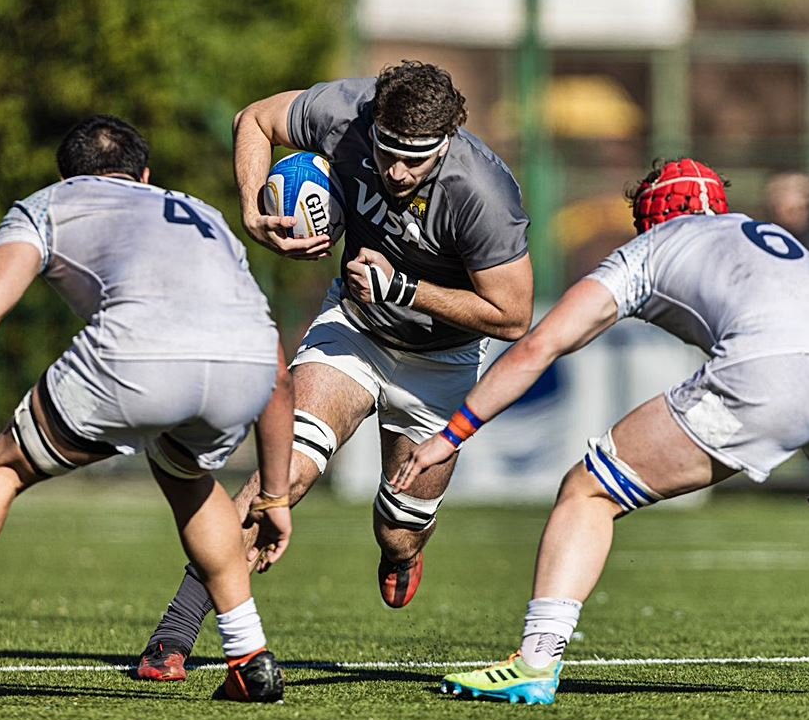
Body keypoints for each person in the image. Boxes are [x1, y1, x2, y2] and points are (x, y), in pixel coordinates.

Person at [392, 158, 809, 705]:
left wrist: (451, 435)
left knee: (588, 490)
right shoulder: (770, 237)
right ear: (718, 205)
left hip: (766, 376)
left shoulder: (646, 251)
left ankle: (536, 661)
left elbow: (540, 346)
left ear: (649, 217)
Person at [0, 115, 294, 703]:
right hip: (244, 367)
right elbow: (278, 374)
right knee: (189, 478)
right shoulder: (203, 215)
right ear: (144, 176)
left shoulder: (47, 205)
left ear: (69, 175)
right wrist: (274, 493)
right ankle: (250, 657)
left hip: (138, 356)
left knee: (1, 470)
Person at [135, 61, 534, 681]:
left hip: (443, 358)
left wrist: (404, 287)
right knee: (282, 473)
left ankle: (400, 553)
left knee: (398, 530)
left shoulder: (483, 193)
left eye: (417, 161)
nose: (398, 173)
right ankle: (177, 632)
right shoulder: (345, 112)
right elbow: (255, 120)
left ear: (447, 143)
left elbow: (512, 316)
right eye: (388, 154)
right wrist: (252, 208)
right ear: (372, 124)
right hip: (353, 328)